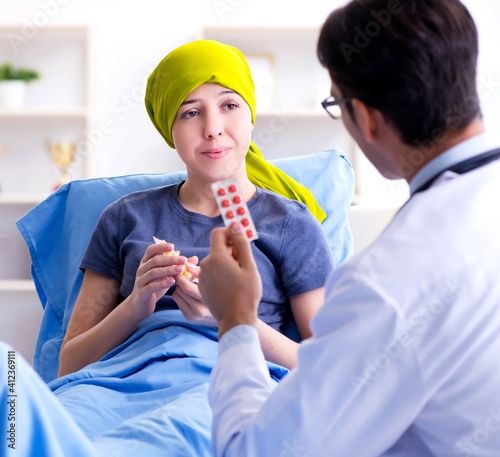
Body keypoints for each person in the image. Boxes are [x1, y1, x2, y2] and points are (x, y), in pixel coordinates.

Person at [198, 1, 500, 456]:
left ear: (369, 118)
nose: (213, 130)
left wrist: (236, 319)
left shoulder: (387, 283)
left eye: (337, 104)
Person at [57, 39, 334, 377]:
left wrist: (231, 318)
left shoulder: (291, 224)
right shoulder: (123, 218)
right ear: (169, 131)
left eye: (229, 105)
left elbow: (327, 368)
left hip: (227, 392)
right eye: (191, 112)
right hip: (115, 392)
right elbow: (68, 367)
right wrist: (135, 305)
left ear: (251, 116)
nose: (213, 129)